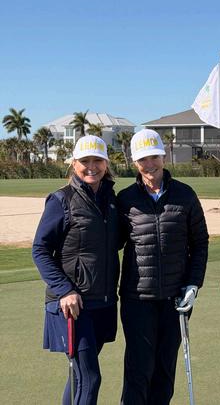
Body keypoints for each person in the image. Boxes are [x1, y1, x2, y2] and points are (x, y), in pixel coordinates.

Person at [117, 128, 209, 405]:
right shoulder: (126, 198)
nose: (150, 164)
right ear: (135, 162)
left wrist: (193, 284)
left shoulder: (185, 194)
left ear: (164, 157)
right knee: (138, 368)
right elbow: (111, 243)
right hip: (137, 298)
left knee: (165, 369)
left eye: (154, 157)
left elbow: (200, 242)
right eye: (143, 159)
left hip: (175, 298)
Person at [32, 135, 120, 405]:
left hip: (102, 302)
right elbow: (40, 249)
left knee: (79, 377)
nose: (91, 167)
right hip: (73, 304)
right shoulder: (61, 200)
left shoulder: (111, 200)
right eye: (85, 161)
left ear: (106, 164)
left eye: (97, 160)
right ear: (74, 164)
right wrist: (65, 290)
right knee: (89, 378)